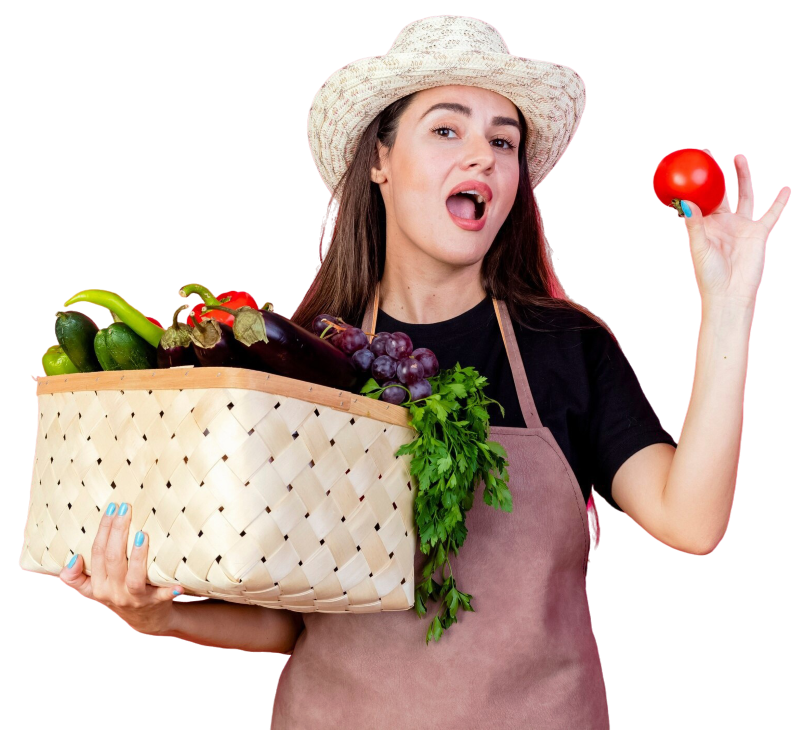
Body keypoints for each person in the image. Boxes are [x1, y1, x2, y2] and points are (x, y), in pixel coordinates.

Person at [56, 15, 677, 729]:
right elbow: (292, 616)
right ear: (379, 158)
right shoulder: (303, 355)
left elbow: (689, 523)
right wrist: (157, 618)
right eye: (447, 129)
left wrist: (730, 297)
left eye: (502, 141)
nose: (481, 156)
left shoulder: (569, 347)